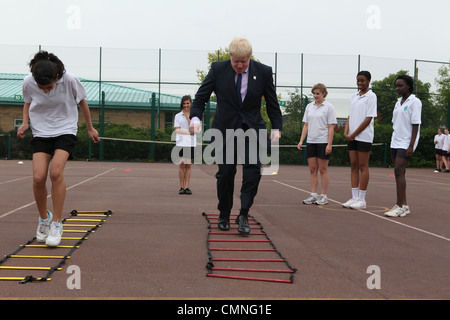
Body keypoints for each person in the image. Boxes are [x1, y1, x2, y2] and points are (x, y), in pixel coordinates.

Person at [189, 37, 282, 235]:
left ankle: (244, 214)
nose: (239, 65)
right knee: (226, 173)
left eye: (244, 62)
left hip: (252, 129)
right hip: (225, 129)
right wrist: (195, 118)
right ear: (230, 57)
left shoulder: (264, 72)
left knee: (253, 171)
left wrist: (277, 127)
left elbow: (273, 103)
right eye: (236, 61)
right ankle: (224, 213)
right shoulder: (218, 69)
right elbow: (201, 97)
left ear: (250, 58)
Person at [17, 51, 100, 246]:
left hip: (65, 130)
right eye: (41, 88)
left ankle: (57, 223)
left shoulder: (70, 80)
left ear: (56, 77)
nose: (45, 91)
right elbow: (27, 103)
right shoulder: (28, 81)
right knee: (38, 178)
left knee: (55, 173)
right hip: (41, 131)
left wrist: (90, 128)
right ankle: (44, 219)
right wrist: (25, 123)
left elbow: (82, 103)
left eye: (49, 87)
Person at [385, 74, 422, 217]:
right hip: (396, 140)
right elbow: (396, 122)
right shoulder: (398, 102)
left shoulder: (415, 102)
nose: (397, 88)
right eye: (396, 86)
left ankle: (399, 205)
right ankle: (404, 205)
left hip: (406, 141)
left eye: (400, 85)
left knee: (399, 171)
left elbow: (416, 124)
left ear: (409, 86)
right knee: (398, 172)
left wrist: (411, 145)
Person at [343, 71, 377, 210]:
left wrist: (355, 133)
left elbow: (369, 118)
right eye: (358, 80)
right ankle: (354, 197)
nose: (360, 83)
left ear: (368, 81)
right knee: (353, 165)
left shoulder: (371, 96)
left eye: (362, 80)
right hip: (352, 136)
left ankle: (362, 200)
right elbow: (350, 116)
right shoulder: (354, 96)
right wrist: (346, 131)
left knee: (363, 166)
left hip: (364, 136)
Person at [297, 84, 337, 205]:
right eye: (314, 93)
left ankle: (323, 196)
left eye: (318, 93)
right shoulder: (309, 106)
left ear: (324, 93)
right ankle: (313, 195)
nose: (315, 96)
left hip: (323, 141)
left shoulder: (329, 107)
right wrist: (301, 141)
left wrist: (329, 144)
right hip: (311, 142)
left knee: (323, 169)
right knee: (312, 169)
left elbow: (331, 127)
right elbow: (306, 125)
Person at [174, 95, 196, 194]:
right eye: (184, 103)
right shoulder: (177, 116)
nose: (186, 105)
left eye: (187, 103)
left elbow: (194, 129)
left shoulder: (195, 116)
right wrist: (188, 133)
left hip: (191, 143)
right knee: (182, 165)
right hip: (181, 143)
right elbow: (177, 130)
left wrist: (188, 117)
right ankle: (181, 187)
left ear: (191, 104)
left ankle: (187, 187)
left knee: (188, 165)